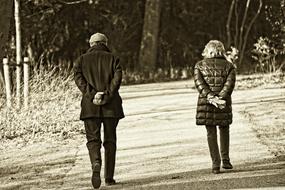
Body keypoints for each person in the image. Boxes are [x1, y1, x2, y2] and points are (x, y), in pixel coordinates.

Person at [74, 32, 124, 188]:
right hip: (111, 106)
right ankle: (109, 177)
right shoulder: (113, 58)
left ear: (91, 44)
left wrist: (92, 95)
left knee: (93, 140)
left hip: (90, 107)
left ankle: (96, 162)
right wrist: (106, 95)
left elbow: (78, 79)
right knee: (110, 141)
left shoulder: (81, 60)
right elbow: (117, 80)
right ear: (105, 43)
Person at [194, 40, 236, 174]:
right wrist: (220, 98)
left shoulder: (199, 65)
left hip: (207, 103)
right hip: (223, 103)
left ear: (208, 51)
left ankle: (215, 164)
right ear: (221, 51)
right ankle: (226, 160)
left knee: (210, 133)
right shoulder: (229, 66)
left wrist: (211, 97)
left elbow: (199, 84)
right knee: (224, 129)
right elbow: (229, 85)